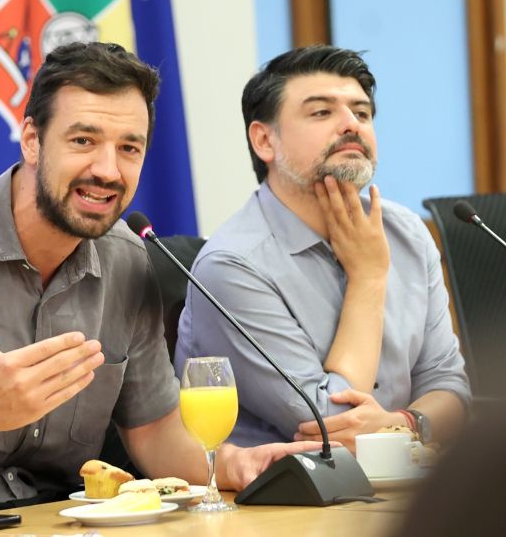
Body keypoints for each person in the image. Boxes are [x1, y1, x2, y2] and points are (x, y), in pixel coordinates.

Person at [0, 41, 320, 509]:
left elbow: (154, 429)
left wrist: (234, 463)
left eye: (129, 148)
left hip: (53, 519)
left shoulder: (127, 258)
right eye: (83, 140)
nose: (107, 169)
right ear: (32, 140)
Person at [175, 45, 471, 451]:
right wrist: (368, 278)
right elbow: (328, 423)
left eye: (362, 112)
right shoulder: (232, 266)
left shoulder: (407, 234)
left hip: (401, 491)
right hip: (280, 502)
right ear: (264, 140)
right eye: (322, 112)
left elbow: (450, 385)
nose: (351, 124)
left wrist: (402, 423)